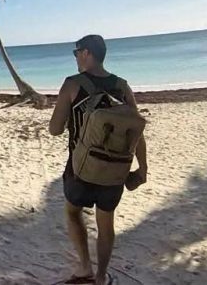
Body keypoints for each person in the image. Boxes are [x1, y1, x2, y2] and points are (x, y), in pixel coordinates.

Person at [49, 34, 148, 285]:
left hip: (80, 168)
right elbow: (136, 131)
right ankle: (101, 277)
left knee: (73, 212)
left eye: (76, 52)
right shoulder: (122, 86)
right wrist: (142, 169)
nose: (75, 57)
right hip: (115, 169)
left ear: (87, 53)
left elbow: (55, 129)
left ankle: (84, 268)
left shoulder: (72, 84)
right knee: (106, 222)